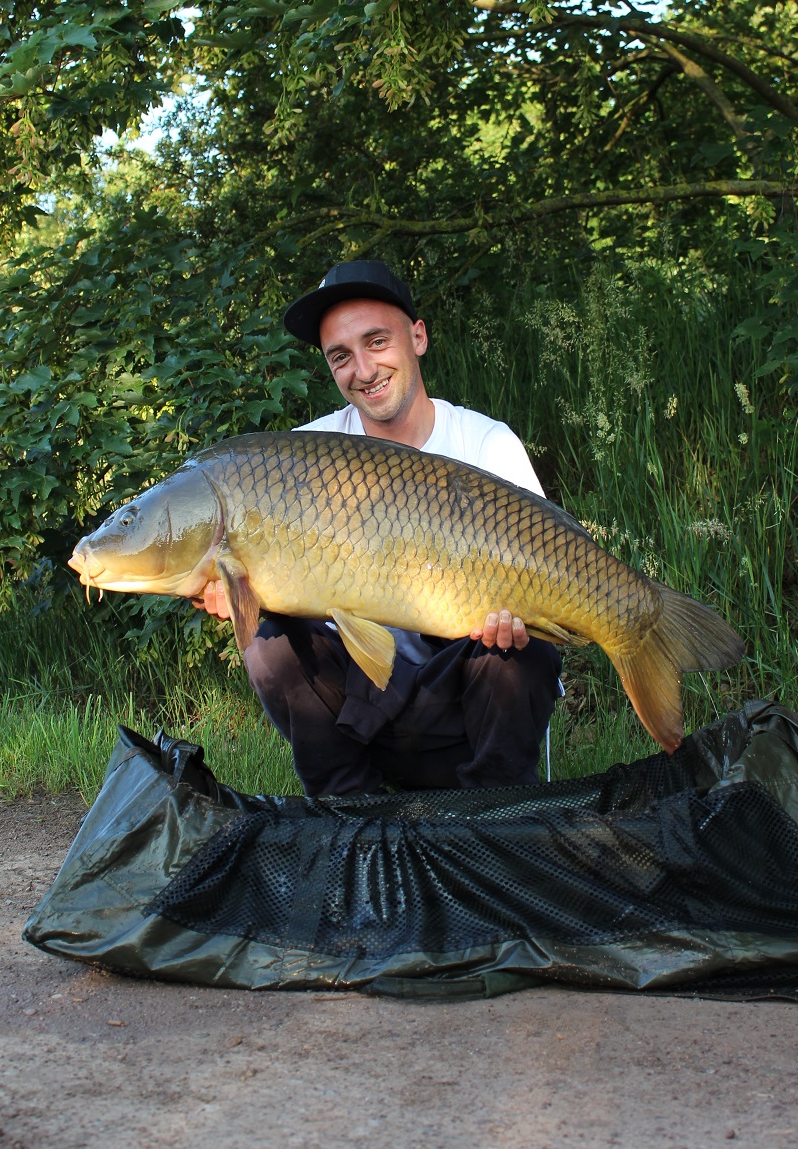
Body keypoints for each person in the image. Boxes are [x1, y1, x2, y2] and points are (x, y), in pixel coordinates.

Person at [194, 259, 562, 796]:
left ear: (417, 336)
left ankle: (493, 812)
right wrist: (234, 586)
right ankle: (352, 811)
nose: (362, 370)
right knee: (265, 637)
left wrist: (522, 620)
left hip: (465, 705)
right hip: (362, 714)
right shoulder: (303, 456)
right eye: (340, 356)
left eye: (376, 342)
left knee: (521, 651)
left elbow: (548, 573)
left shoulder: (486, 445)